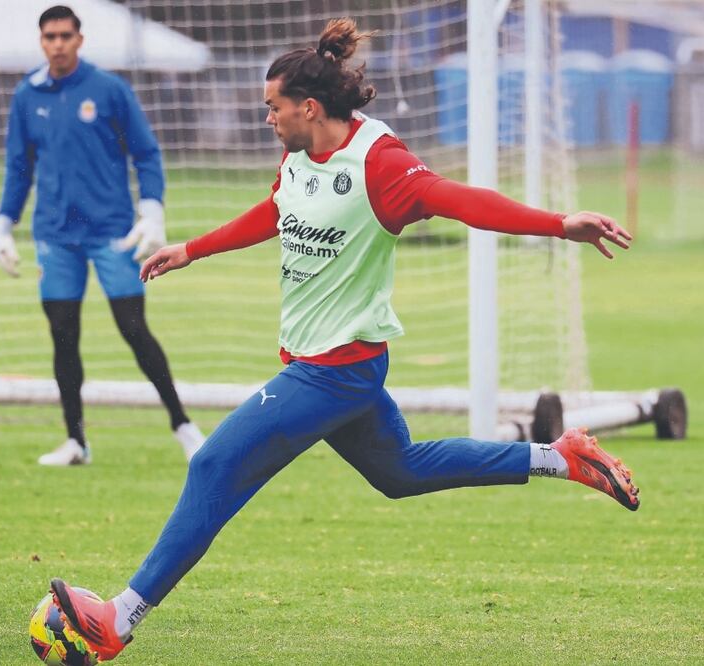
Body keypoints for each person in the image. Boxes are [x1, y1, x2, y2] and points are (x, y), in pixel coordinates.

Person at [47, 18, 638, 660]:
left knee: (214, 464)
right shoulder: (298, 153)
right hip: (331, 369)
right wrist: (193, 248)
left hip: (334, 372)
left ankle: (117, 621)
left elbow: (460, 200)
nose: (266, 118)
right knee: (401, 472)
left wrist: (558, 224)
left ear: (308, 107)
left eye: (272, 107)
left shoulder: (379, 163)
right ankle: (560, 456)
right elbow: (277, 209)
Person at [0, 5, 204, 465]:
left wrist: (151, 212)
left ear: (80, 40)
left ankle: (184, 426)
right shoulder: (27, 95)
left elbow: (146, 154)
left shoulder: (109, 90)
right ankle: (76, 441)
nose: (58, 43)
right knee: (63, 335)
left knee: (133, 329)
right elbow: (18, 167)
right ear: (41, 41)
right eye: (50, 36)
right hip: (55, 234)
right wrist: (3, 224)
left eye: (66, 35)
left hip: (111, 231)